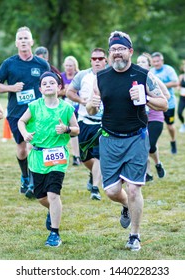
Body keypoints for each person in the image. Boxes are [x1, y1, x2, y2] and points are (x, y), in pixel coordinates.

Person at [86, 31, 168, 251]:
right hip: (110, 139)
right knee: (112, 191)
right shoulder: (101, 77)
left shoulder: (143, 75)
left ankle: (135, 235)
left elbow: (164, 103)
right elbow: (91, 108)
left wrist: (146, 98)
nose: (117, 53)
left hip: (136, 138)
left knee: (133, 189)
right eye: (113, 50)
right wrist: (92, 105)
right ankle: (125, 206)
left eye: (121, 49)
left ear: (130, 51)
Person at [18, 71, 79, 247]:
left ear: (59, 87)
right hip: (37, 156)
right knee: (41, 196)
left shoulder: (66, 108)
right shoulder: (34, 106)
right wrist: (25, 134)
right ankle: (52, 212)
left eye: (52, 83)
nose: (48, 86)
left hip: (58, 156)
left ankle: (54, 233)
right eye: (44, 84)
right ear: (40, 89)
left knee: (53, 194)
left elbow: (76, 129)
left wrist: (66, 129)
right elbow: (21, 122)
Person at [0, 27, 50, 199]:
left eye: (26, 38)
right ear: (16, 43)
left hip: (37, 112)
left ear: (31, 42)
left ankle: (33, 182)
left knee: (33, 146)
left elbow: (49, 84)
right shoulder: (8, 64)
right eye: (20, 38)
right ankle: (25, 175)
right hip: (16, 113)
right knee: (22, 149)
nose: (23, 41)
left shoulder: (42, 64)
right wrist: (11, 88)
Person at [66, 48, 107, 201]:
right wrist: (81, 101)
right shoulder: (83, 75)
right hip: (84, 120)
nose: (97, 61)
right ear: (90, 60)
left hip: (104, 123)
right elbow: (70, 91)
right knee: (85, 158)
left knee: (98, 156)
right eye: (94, 58)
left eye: (100, 58)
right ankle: (93, 174)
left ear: (106, 60)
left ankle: (95, 188)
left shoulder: (111, 75)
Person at [137, 53, 170, 182]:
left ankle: (158, 163)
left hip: (155, 117)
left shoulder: (154, 79)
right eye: (138, 62)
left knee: (150, 145)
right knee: (142, 145)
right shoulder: (134, 79)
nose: (140, 64)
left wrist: (150, 100)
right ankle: (148, 173)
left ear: (149, 65)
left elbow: (166, 96)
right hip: (140, 118)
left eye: (143, 62)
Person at [151, 52, 178, 154]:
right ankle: (154, 146)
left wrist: (161, 85)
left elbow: (175, 83)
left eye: (158, 61)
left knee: (170, 126)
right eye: (154, 62)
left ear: (162, 61)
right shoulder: (151, 71)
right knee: (155, 126)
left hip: (169, 104)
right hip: (156, 104)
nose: (156, 63)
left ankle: (173, 141)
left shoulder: (169, 69)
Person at [61, 56, 81, 166]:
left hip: (79, 108)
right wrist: (66, 91)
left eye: (71, 65)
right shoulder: (61, 76)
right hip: (65, 109)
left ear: (75, 66)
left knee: (78, 132)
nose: (69, 68)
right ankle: (75, 156)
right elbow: (57, 92)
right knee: (70, 132)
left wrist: (72, 90)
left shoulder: (79, 76)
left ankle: (79, 155)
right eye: (67, 65)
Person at [177, 60, 185, 133]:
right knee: (179, 113)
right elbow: (178, 85)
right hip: (182, 98)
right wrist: (178, 87)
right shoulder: (181, 76)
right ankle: (183, 124)